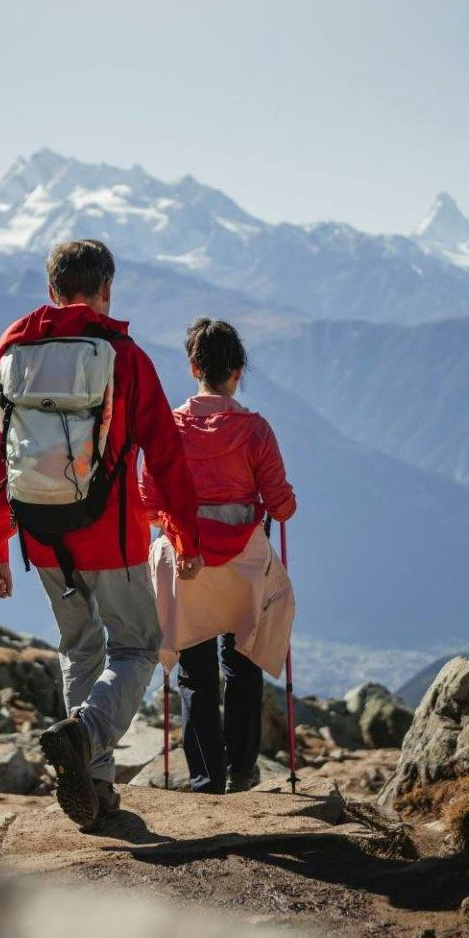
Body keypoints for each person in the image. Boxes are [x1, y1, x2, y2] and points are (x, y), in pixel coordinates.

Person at [0, 239, 203, 831]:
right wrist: (185, 535)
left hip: (43, 537)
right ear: (107, 290)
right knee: (137, 647)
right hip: (114, 537)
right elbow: (167, 457)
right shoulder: (123, 356)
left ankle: (94, 785)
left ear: (51, 290)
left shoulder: (14, 358)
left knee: (79, 649)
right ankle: (87, 736)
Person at [140, 319, 296, 795]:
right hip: (243, 562)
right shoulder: (255, 431)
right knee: (244, 660)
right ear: (238, 370)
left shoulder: (167, 427)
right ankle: (244, 769)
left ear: (193, 369)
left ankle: (206, 776)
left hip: (187, 563)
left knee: (195, 671)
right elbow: (283, 506)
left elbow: (147, 502)